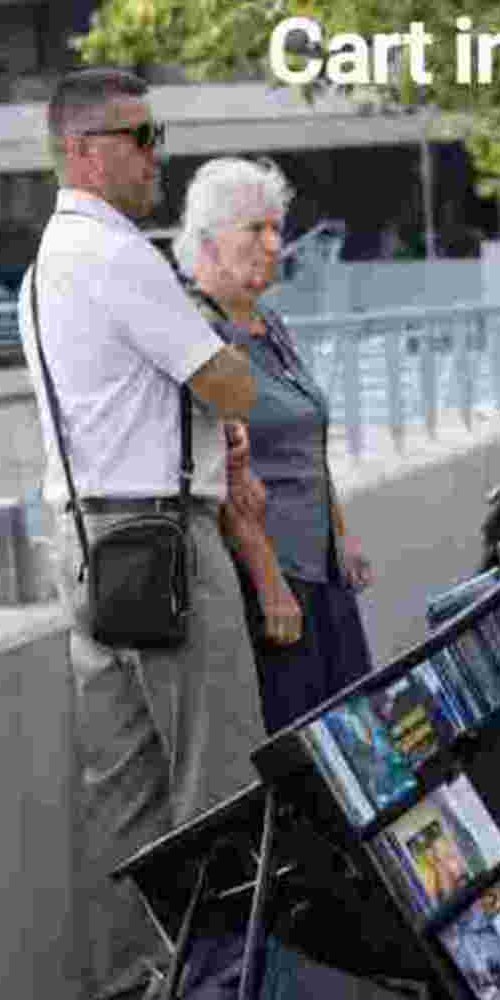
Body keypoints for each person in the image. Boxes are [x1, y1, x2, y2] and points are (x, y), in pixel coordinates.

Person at [18, 68, 266, 980]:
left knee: (122, 784)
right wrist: (228, 358)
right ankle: (220, 985)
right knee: (216, 773)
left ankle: (133, 985)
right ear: (84, 151)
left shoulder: (45, 263)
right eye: (141, 137)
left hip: (87, 543)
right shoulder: (119, 254)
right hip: (163, 540)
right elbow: (231, 384)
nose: (158, 154)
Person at [173, 156, 374, 736]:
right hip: (274, 579)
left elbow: (309, 436)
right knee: (307, 746)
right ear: (208, 241)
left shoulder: (270, 325)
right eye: (254, 229)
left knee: (363, 733)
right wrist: (270, 586)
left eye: (275, 228)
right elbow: (229, 474)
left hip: (322, 566)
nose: (272, 244)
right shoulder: (199, 333)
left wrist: (342, 534)